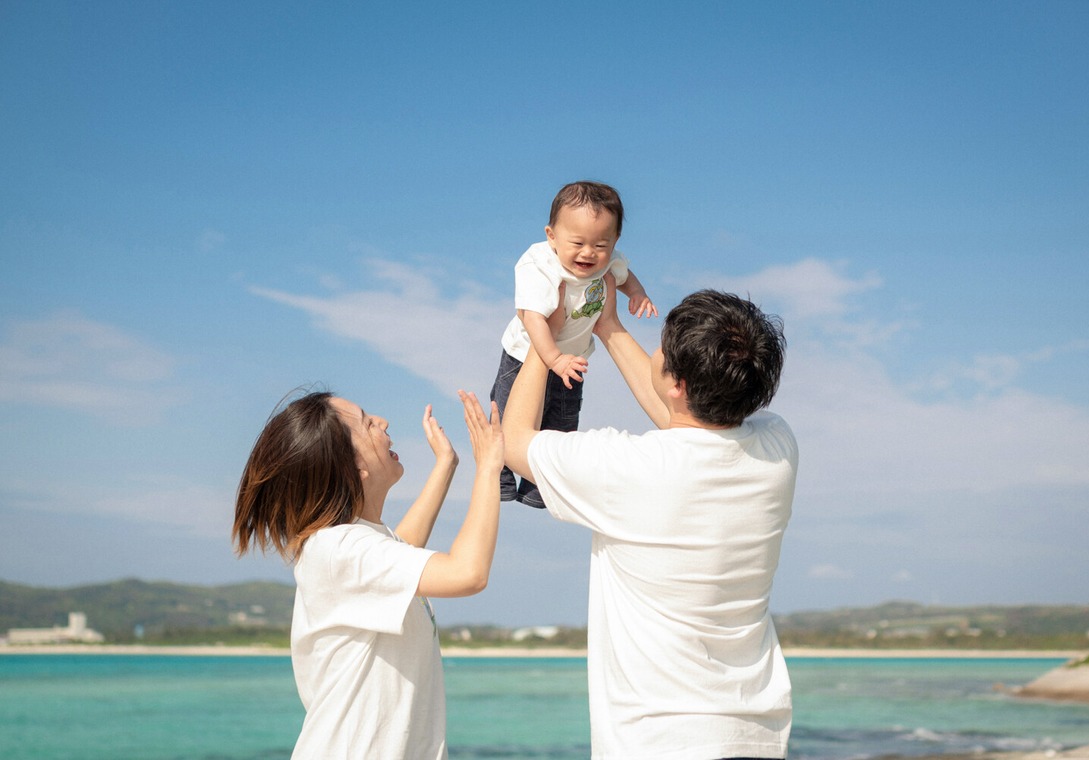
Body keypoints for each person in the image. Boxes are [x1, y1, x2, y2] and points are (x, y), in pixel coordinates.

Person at [503, 286, 798, 760]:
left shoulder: (632, 469)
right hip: (756, 735)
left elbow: (514, 442)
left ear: (677, 382)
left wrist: (549, 337)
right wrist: (608, 327)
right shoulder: (778, 446)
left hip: (659, 742)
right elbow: (682, 418)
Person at [233, 389, 502, 760]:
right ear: (351, 467)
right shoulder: (337, 548)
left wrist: (447, 464)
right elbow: (468, 573)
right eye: (367, 423)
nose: (383, 421)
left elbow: (402, 550)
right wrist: (489, 466)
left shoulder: (358, 544)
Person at [492, 180, 657, 508]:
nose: (588, 253)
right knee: (508, 414)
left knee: (562, 421)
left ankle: (540, 487)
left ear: (615, 242)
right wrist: (552, 358)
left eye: (600, 245)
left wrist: (637, 293)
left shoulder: (610, 261)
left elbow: (624, 275)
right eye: (578, 242)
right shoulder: (539, 264)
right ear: (552, 236)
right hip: (527, 355)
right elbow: (533, 318)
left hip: (574, 356)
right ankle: (498, 476)